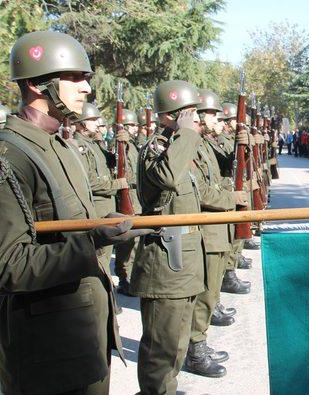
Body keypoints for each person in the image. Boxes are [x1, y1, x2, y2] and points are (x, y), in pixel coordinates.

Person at [0, 30, 151, 394]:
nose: (85, 89)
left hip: (83, 336)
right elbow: (0, 266)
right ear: (35, 83)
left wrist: (102, 225)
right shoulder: (8, 156)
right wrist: (91, 242)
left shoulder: (59, 145)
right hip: (47, 350)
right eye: (75, 78)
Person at [130, 80, 207, 393]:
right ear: (171, 117)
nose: (196, 121)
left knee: (176, 341)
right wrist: (186, 134)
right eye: (189, 114)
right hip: (166, 259)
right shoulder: (157, 149)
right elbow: (167, 177)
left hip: (184, 259)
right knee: (161, 346)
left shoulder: (177, 146)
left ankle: (166, 389)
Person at [185, 89, 249, 378]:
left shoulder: (206, 144)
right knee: (203, 294)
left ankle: (200, 343)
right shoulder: (189, 145)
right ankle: (195, 351)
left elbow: (226, 171)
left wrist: (243, 145)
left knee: (210, 293)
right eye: (211, 114)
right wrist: (232, 199)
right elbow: (199, 190)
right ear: (197, 116)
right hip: (206, 229)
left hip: (217, 227)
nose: (217, 118)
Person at [73, 102, 128, 271]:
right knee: (99, 259)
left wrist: (123, 145)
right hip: (97, 209)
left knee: (104, 258)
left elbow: (112, 162)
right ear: (81, 122)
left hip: (107, 207)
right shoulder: (80, 147)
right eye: (93, 119)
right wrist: (116, 184)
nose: (98, 123)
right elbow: (88, 181)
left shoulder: (94, 144)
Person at [114, 109, 143, 296]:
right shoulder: (117, 145)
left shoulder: (132, 146)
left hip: (135, 199)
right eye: (131, 126)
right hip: (125, 198)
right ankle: (124, 278)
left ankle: (132, 275)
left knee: (136, 241)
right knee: (126, 243)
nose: (134, 129)